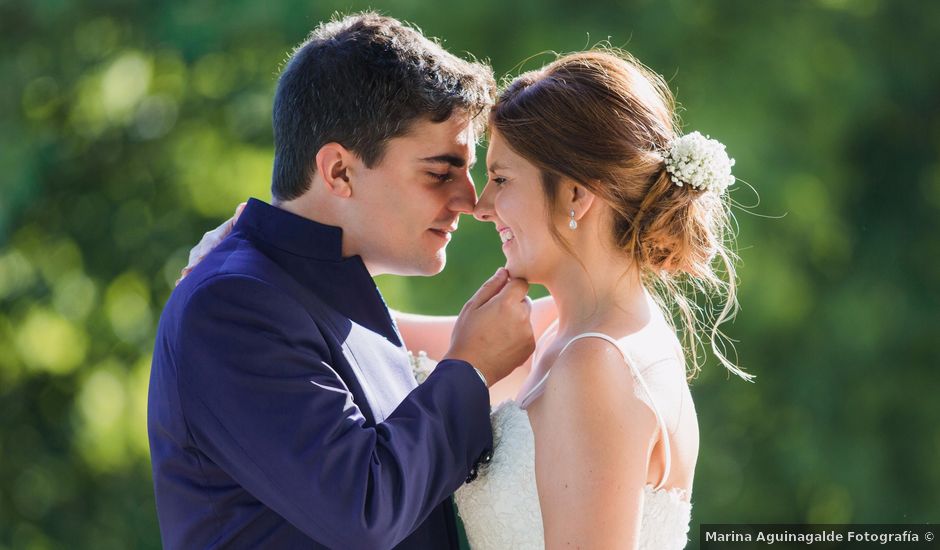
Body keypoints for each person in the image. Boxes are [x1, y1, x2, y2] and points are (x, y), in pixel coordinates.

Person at [184, 49, 751, 550]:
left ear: (576, 193)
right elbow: (402, 347)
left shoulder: (593, 361)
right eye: (450, 172)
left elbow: (464, 357)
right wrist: (267, 269)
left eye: (500, 178)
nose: (477, 205)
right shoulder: (583, 330)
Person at [148, 13, 540, 549]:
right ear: (338, 172)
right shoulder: (230, 305)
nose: (469, 202)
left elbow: (537, 333)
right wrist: (469, 370)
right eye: (440, 172)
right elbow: (365, 507)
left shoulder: (316, 294)